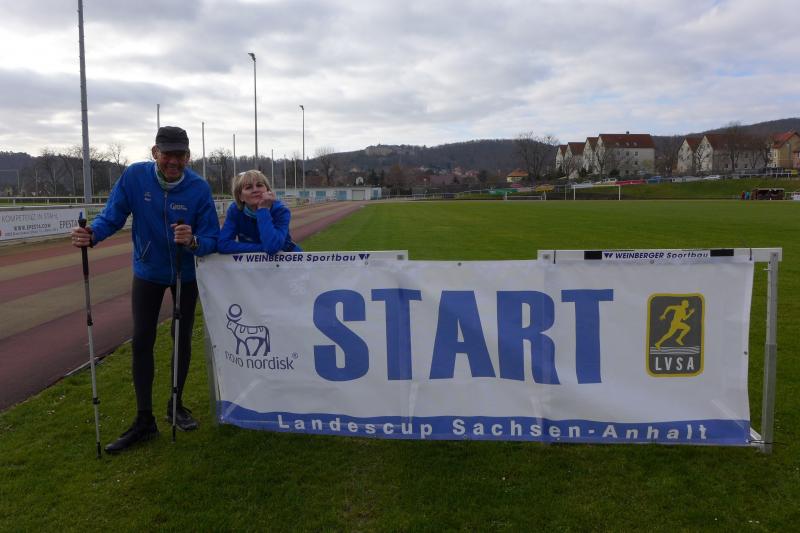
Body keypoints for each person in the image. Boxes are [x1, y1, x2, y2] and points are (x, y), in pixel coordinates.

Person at [71, 126, 219, 453]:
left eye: (180, 155)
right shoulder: (135, 177)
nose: (173, 161)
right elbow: (112, 215)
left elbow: (212, 237)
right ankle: (144, 420)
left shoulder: (198, 188)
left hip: (184, 273)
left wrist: (194, 241)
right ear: (155, 153)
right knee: (142, 340)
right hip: (148, 270)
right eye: (167, 154)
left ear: (188, 156)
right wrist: (92, 234)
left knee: (181, 338)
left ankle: (176, 406)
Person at [217, 170, 302, 254]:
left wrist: (263, 209)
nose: (255, 190)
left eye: (259, 185)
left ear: (267, 190)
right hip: (252, 260)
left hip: (289, 258)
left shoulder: (280, 210)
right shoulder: (235, 210)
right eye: (248, 187)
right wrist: (262, 248)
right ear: (240, 197)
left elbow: (272, 246)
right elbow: (223, 244)